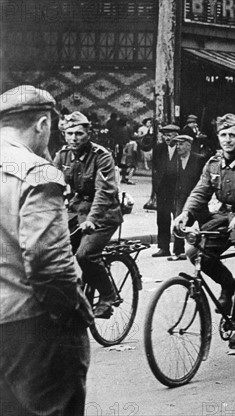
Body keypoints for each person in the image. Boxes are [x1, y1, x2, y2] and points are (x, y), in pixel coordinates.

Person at [1, 85, 94, 415]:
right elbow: (48, 264)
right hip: (32, 327)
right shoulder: (36, 173)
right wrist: (76, 313)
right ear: (42, 124)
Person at [173, 113, 235, 348]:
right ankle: (228, 285)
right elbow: (200, 192)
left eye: (232, 135)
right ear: (218, 137)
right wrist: (186, 213)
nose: (227, 140)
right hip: (223, 217)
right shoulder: (213, 164)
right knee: (196, 252)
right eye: (223, 135)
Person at [53, 111, 124, 318]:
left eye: (79, 133)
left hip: (104, 213)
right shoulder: (62, 155)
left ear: (88, 134)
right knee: (52, 249)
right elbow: (51, 185)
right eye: (70, 133)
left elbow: (104, 192)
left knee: (85, 255)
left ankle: (108, 295)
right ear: (64, 135)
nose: (74, 138)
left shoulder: (102, 156)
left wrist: (92, 220)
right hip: (76, 209)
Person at [168, 134, 207, 261]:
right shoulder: (175, 161)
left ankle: (204, 249)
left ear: (189, 145)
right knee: (179, 223)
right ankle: (178, 252)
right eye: (177, 144)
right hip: (180, 197)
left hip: (198, 197)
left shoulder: (199, 159)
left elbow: (206, 179)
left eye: (181, 144)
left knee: (204, 223)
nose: (178, 147)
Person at [151, 124, 181, 257]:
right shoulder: (159, 148)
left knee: (178, 218)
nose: (167, 138)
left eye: (170, 135)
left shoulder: (182, 148)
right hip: (162, 189)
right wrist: (155, 189)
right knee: (162, 219)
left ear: (177, 135)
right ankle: (163, 248)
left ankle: (179, 249)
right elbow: (155, 169)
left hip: (177, 189)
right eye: (165, 135)